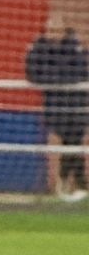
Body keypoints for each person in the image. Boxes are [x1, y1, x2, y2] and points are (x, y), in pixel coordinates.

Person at [25, 21, 88, 200]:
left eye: (57, 30)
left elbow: (81, 73)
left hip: (77, 104)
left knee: (75, 141)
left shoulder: (75, 47)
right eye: (50, 30)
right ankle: (67, 182)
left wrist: (57, 76)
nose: (53, 34)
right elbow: (33, 74)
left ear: (64, 31)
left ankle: (74, 182)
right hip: (54, 103)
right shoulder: (38, 48)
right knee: (62, 139)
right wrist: (57, 78)